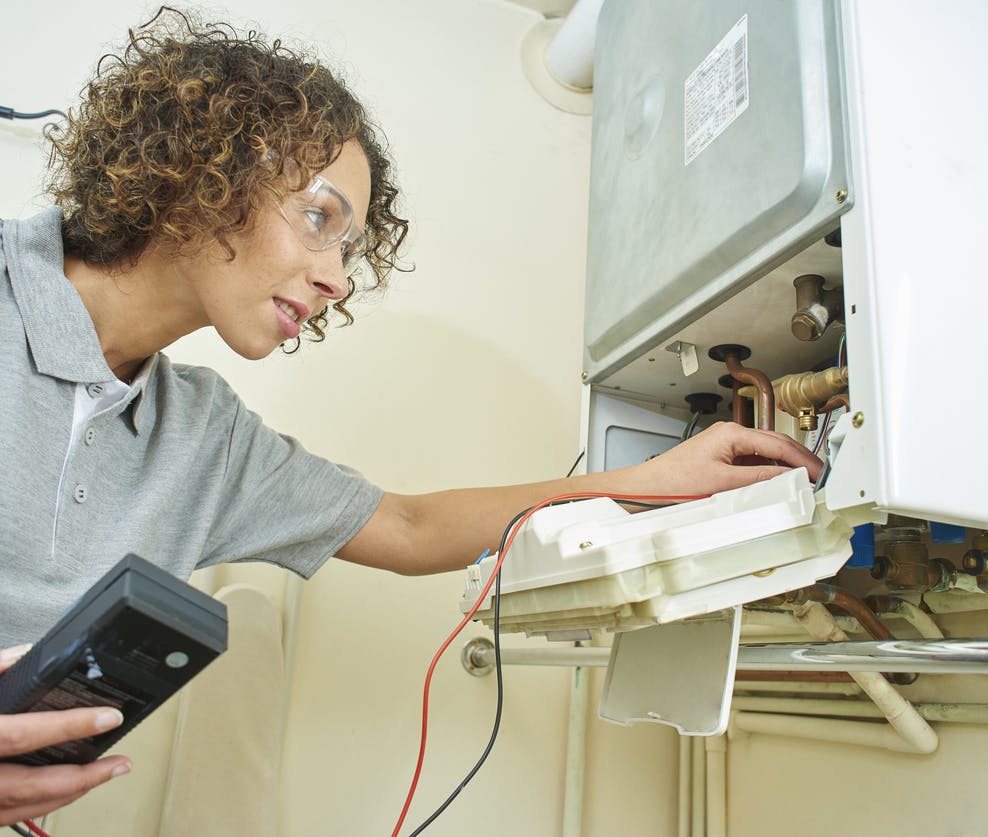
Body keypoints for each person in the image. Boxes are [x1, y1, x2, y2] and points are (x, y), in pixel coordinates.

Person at [0, 7, 822, 827]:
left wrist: (650, 482)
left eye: (352, 248)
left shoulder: (201, 438)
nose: (338, 281)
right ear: (200, 170)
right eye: (320, 218)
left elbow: (404, 524)